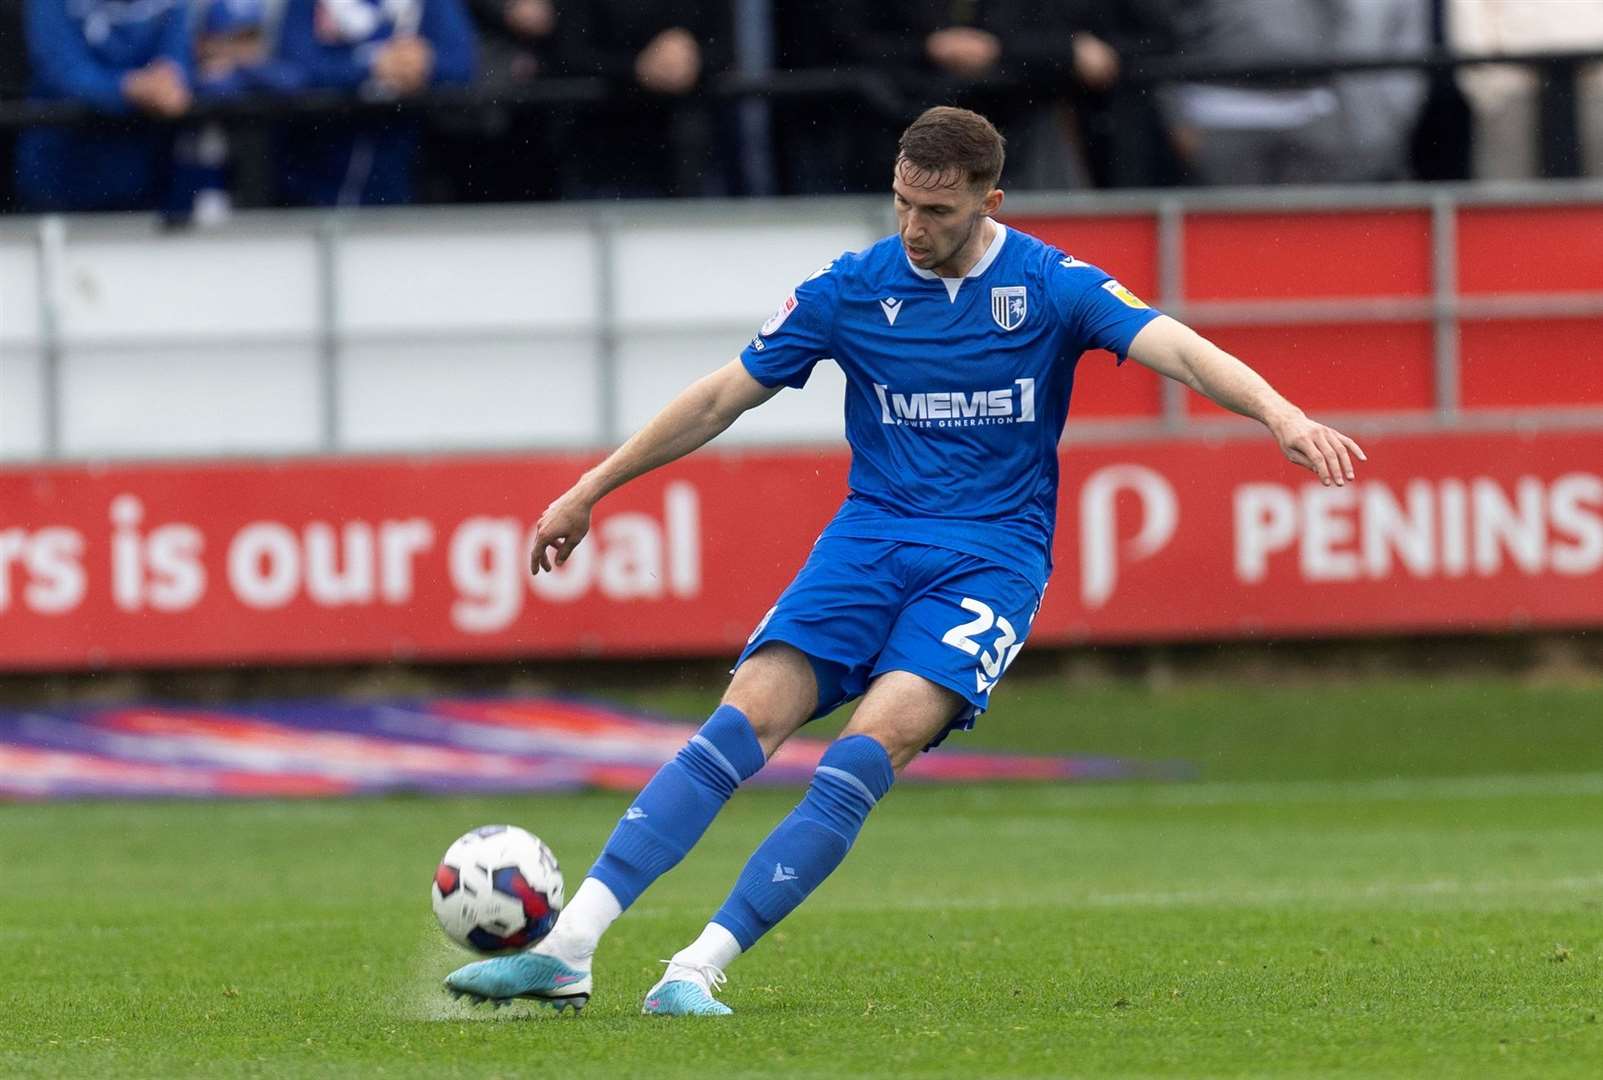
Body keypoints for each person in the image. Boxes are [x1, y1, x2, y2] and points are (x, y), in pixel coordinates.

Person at [444, 106, 1367, 1017]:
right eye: (900, 205)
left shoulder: (1052, 286)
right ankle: (566, 949)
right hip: (867, 542)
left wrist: (1281, 415)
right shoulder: (851, 287)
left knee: (862, 753)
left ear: (988, 200)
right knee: (740, 723)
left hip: (989, 563)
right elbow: (724, 395)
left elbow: (1181, 350)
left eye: (937, 213)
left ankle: (697, 966)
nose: (913, 229)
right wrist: (590, 490)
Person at [273, 0, 476, 206]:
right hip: (311, 183)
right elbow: (293, 66)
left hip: (400, 182)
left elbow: (462, 62)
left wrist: (424, 63)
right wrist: (370, 64)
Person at [14, 0, 192, 212]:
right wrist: (130, 88)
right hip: (59, 174)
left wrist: (171, 79)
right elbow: (61, 69)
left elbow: (176, 62)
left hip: (145, 178)